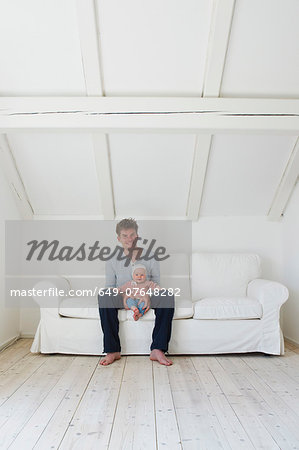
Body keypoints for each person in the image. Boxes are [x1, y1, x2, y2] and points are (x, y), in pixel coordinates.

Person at [98, 218, 174, 366]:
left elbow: (157, 284)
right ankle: (112, 350)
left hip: (145, 296)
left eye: (132, 235)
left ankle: (158, 349)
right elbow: (110, 287)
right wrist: (125, 295)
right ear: (118, 238)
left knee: (167, 295)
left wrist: (146, 295)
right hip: (123, 297)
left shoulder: (151, 256)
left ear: (137, 236)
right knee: (104, 295)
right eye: (125, 236)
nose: (129, 239)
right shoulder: (112, 259)